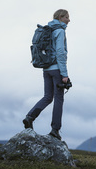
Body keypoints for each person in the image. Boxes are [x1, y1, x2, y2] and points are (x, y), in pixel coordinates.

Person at [23, 9, 70, 140]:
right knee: (58, 98)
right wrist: (64, 74)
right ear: (61, 17)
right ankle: (55, 130)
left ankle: (30, 117)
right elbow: (60, 52)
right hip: (56, 70)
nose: (69, 20)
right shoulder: (60, 31)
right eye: (67, 17)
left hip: (46, 69)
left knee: (48, 97)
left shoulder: (48, 30)